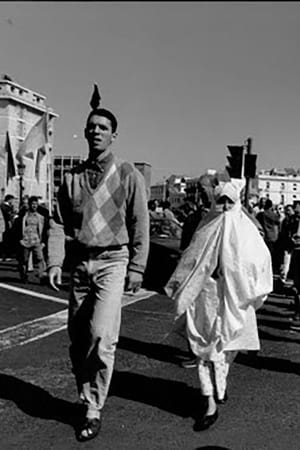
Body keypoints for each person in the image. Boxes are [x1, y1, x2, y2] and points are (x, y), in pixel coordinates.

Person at [47, 89, 149, 442]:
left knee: (102, 337)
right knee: (78, 339)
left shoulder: (127, 173)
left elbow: (140, 223)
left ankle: (93, 406)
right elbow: (58, 222)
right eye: (91, 126)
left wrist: (137, 267)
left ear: (113, 135)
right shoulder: (72, 177)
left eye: (103, 127)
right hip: (78, 263)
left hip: (113, 261)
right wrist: (55, 260)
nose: (96, 131)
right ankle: (85, 390)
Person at [166, 179, 272, 431]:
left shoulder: (247, 229)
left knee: (227, 349)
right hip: (205, 297)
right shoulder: (205, 226)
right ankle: (209, 401)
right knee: (202, 352)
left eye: (229, 201)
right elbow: (191, 257)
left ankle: (219, 387)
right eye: (220, 200)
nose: (224, 206)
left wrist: (244, 280)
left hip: (235, 297)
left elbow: (258, 260)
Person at [15, 196, 48, 283]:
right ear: (29, 204)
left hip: (36, 240)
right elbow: (17, 227)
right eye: (33, 204)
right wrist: (19, 239)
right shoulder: (23, 216)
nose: (34, 206)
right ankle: (23, 275)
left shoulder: (41, 217)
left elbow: (44, 229)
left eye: (36, 204)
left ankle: (42, 276)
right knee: (24, 260)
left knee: (40, 258)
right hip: (25, 240)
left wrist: (43, 241)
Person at [256, 198, 281, 272]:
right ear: (271, 206)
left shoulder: (261, 214)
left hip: (264, 237)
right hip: (273, 236)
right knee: (272, 254)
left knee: (264, 253)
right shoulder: (274, 215)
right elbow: (278, 222)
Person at [0, 194, 18, 261]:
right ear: (9, 199)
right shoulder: (4, 206)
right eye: (12, 200)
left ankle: (5, 255)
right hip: (5, 225)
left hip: (6, 225)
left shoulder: (7, 206)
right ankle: (3, 255)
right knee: (5, 241)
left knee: (6, 240)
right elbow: (9, 215)